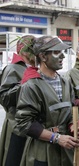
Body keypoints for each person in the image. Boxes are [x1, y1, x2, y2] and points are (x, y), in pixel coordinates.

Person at [14, 36, 79, 166]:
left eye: (62, 52)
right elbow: (24, 124)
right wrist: (56, 138)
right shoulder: (31, 85)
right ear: (43, 56)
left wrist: (74, 125)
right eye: (57, 52)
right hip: (42, 153)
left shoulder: (66, 83)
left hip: (65, 151)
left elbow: (69, 112)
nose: (62, 56)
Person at [0, 35, 36, 166]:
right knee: (14, 158)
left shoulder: (37, 68)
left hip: (34, 125)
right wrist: (25, 83)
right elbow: (4, 98)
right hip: (16, 124)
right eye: (32, 48)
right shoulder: (12, 68)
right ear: (23, 50)